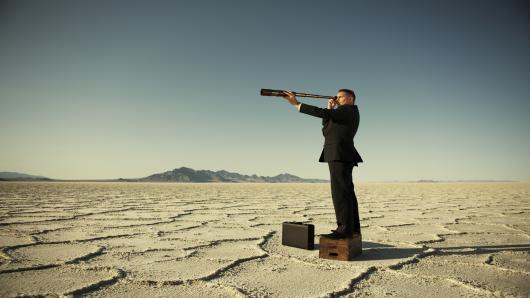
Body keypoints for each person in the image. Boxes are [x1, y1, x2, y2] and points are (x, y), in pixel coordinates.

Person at [282, 89, 363, 239]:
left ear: (350, 98)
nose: (336, 98)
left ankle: (344, 230)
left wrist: (297, 104)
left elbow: (322, 113)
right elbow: (327, 130)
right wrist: (330, 110)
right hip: (339, 154)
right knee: (346, 193)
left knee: (340, 193)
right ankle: (352, 229)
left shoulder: (348, 110)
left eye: (339, 97)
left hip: (340, 154)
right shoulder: (341, 113)